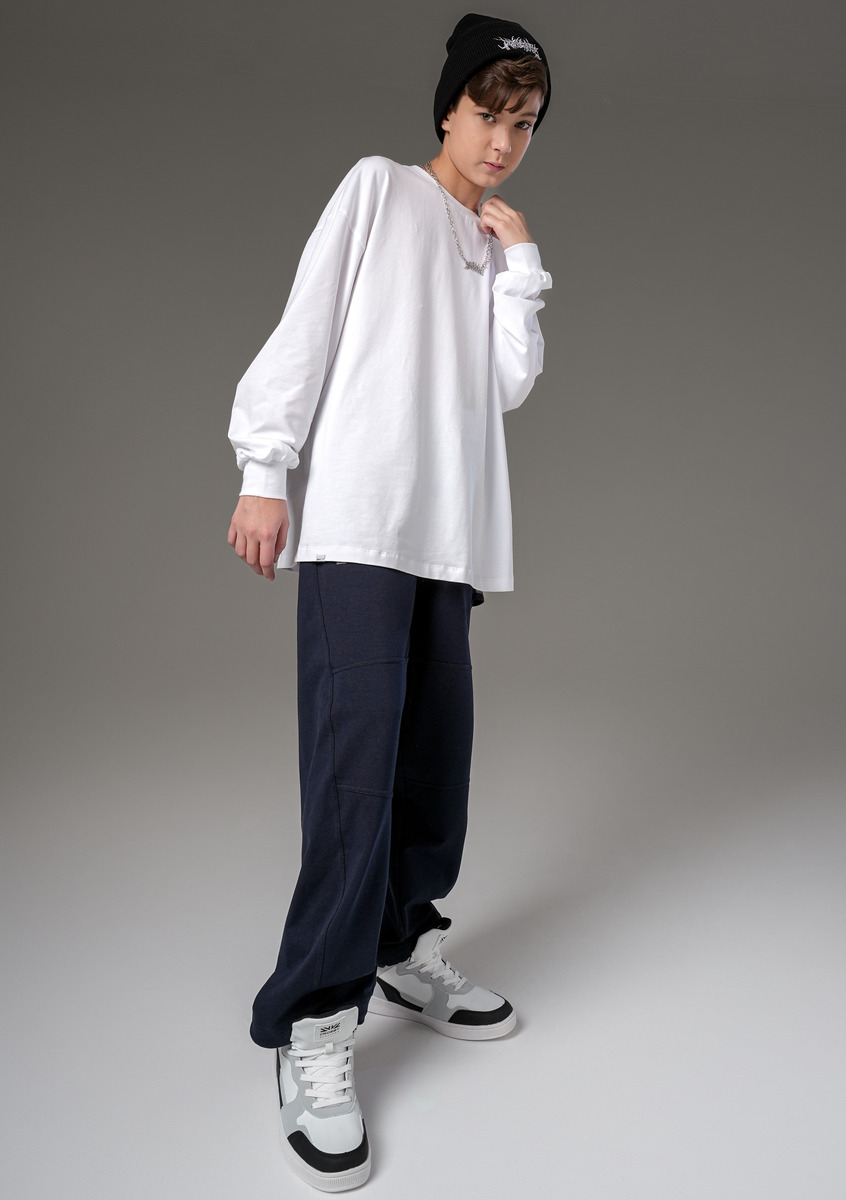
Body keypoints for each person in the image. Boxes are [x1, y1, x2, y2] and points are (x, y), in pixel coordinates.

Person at [227, 12, 551, 1192]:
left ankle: (403, 949)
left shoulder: (487, 239)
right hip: (363, 528)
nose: (504, 140)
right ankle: (313, 1016)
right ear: (448, 108)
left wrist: (522, 266)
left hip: (447, 538)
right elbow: (307, 324)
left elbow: (506, 384)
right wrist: (266, 469)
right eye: (489, 113)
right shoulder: (379, 190)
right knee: (355, 775)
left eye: (525, 123)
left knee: (432, 770)